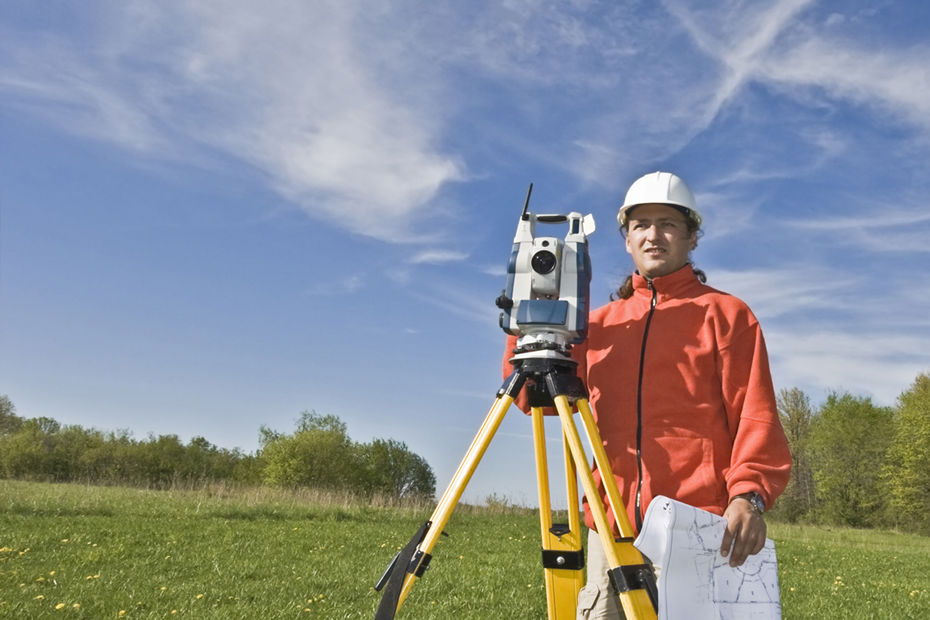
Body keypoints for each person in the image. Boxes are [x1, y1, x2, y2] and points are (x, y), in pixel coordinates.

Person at [503, 171, 791, 619]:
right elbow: (529, 398)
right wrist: (529, 317)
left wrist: (748, 495)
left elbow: (756, 416)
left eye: (667, 223)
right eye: (641, 225)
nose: (653, 235)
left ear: (692, 236)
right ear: (626, 239)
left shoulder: (727, 316)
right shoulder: (594, 326)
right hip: (609, 530)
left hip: (696, 527)